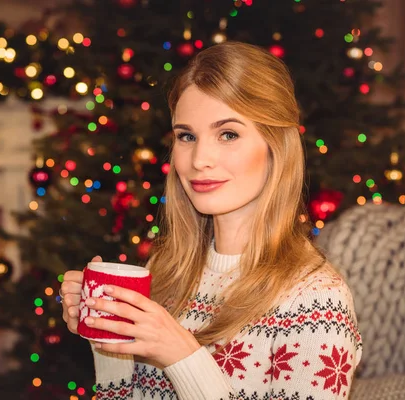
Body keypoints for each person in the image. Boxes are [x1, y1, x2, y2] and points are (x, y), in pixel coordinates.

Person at [60, 41, 362, 400]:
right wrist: (104, 334)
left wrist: (183, 357)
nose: (199, 159)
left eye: (228, 134)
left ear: (275, 147)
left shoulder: (316, 301)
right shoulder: (167, 272)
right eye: (187, 136)